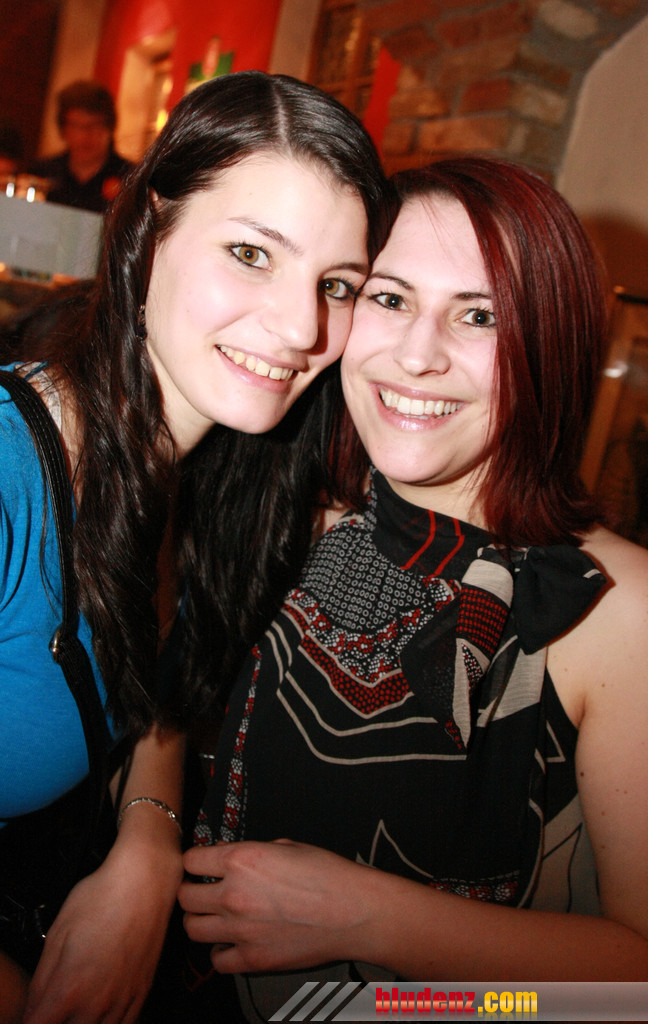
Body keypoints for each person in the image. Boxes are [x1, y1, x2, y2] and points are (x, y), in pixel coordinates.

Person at [179, 157, 648, 1019]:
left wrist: (368, 917)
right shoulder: (282, 517)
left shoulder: (620, 609)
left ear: (549, 347)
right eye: (389, 297)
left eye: (478, 315)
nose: (416, 356)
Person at [0, 70, 392, 1024]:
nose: (302, 327)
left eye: (335, 286)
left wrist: (146, 846)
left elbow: (154, 688)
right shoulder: (11, 466)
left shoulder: (208, 463)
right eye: (251, 253)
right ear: (149, 230)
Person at [29, 81, 133, 213]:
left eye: (95, 125)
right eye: (76, 126)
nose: (85, 136)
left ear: (109, 127)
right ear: (63, 129)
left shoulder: (131, 179)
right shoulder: (42, 173)